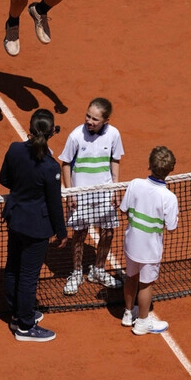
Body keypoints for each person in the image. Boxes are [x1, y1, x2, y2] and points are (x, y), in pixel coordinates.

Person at [0, 108, 67, 341]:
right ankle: (26, 327)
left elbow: (4, 180)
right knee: (28, 276)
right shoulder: (50, 166)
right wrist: (62, 232)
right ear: (50, 133)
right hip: (36, 229)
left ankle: (18, 314)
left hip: (15, 220)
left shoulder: (15, 150)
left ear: (30, 128)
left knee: (13, 268)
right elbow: (54, 203)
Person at [59, 97, 124, 295]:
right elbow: (66, 164)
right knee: (79, 234)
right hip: (80, 194)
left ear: (106, 121)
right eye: (88, 116)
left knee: (108, 232)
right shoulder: (75, 136)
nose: (89, 121)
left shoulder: (113, 134)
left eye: (95, 119)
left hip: (104, 192)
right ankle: (77, 272)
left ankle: (99, 270)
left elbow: (115, 160)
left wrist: (115, 189)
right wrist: (70, 193)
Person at [120, 146, 179, 335]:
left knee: (131, 277)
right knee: (146, 284)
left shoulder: (135, 184)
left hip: (131, 244)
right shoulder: (169, 198)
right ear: (170, 170)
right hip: (150, 250)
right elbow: (171, 228)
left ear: (149, 165)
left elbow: (123, 209)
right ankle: (143, 322)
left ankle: (128, 314)